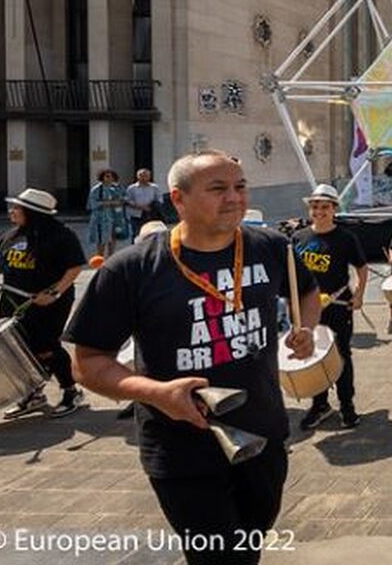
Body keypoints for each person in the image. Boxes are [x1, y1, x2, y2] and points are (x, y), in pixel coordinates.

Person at [65, 149, 320, 565]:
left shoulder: (272, 247)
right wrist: (156, 393)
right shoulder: (131, 269)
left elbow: (306, 292)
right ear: (178, 199)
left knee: (250, 544)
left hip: (264, 434)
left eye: (240, 186)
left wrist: (306, 326)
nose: (235, 198)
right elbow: (88, 362)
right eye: (217, 189)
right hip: (182, 447)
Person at [0, 188, 87, 417]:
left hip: (49, 304)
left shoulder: (61, 236)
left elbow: (74, 267)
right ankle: (32, 394)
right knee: (17, 349)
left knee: (46, 348)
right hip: (12, 301)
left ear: (33, 212)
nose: (11, 211)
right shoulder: (10, 235)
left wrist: (54, 292)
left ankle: (70, 391)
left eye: (17, 208)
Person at [294, 184, 367, 430]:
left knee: (342, 356)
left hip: (337, 305)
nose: (319, 211)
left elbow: (362, 267)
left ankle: (347, 406)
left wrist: (359, 295)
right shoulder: (299, 237)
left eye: (324, 207)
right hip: (308, 309)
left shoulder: (346, 238)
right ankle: (320, 404)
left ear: (334, 209)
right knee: (313, 356)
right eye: (315, 206)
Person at [88, 168, 130, 257]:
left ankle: (110, 259)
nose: (109, 179)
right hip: (101, 219)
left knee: (113, 239)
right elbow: (93, 204)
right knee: (101, 241)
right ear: (102, 177)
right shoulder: (97, 189)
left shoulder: (118, 188)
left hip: (115, 218)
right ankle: (100, 260)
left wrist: (121, 201)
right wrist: (109, 203)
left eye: (111, 176)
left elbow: (125, 198)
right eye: (107, 176)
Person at [126, 168, 164, 237]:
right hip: (136, 215)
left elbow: (160, 199)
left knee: (150, 235)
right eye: (141, 175)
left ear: (149, 176)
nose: (143, 178)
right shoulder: (131, 188)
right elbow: (127, 200)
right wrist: (138, 206)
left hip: (151, 215)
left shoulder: (154, 187)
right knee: (137, 235)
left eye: (146, 175)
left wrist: (150, 206)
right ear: (137, 176)